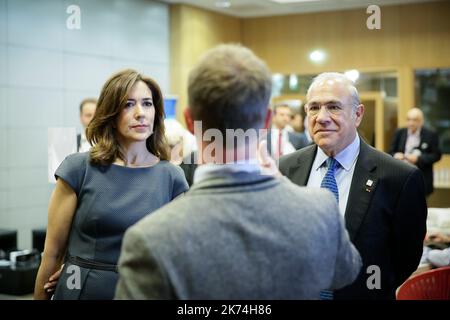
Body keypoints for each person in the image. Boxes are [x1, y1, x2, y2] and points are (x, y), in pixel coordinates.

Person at [114, 44, 361, 300]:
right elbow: (344, 272)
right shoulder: (319, 210)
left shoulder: (150, 239)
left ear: (190, 121)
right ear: (267, 121)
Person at [33, 69, 189, 300]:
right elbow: (52, 254)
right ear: (111, 113)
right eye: (128, 105)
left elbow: (177, 256)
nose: (140, 113)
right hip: (82, 290)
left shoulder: (172, 177)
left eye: (147, 104)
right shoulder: (78, 169)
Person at [279, 72, 428, 300]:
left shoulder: (399, 179)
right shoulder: (283, 169)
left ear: (357, 115)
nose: (322, 117)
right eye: (314, 108)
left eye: (334, 107)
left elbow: (404, 260)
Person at [389, 107, 442, 196]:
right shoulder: (400, 132)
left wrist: (418, 158)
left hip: (422, 178)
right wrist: (395, 155)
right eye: (409, 119)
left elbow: (436, 155)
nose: (411, 123)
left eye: (414, 120)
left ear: (421, 121)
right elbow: (390, 152)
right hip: (401, 177)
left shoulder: (430, 134)